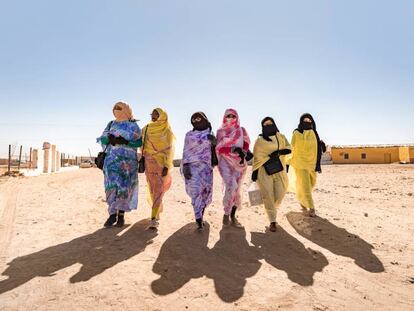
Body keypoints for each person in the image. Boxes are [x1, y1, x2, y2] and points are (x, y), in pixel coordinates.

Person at [97, 102, 142, 227]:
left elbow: (138, 142)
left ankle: (121, 216)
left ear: (126, 110)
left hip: (128, 164)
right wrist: (110, 139)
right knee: (110, 187)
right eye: (114, 108)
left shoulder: (133, 126)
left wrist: (126, 142)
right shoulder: (111, 124)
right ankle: (112, 215)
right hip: (111, 161)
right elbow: (103, 138)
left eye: (119, 108)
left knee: (124, 188)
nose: (116, 110)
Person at [251, 117, 291, 232]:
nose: (268, 126)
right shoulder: (260, 141)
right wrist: (254, 172)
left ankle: (271, 208)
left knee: (280, 193)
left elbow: (289, 149)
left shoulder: (281, 137)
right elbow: (257, 158)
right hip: (264, 171)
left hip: (279, 169)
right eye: (265, 124)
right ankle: (272, 221)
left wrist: (278, 153)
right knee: (268, 195)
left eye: (270, 124)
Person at [181, 112, 218, 229]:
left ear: (205, 120)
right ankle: (198, 217)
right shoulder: (189, 135)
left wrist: (214, 143)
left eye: (199, 119)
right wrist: (185, 165)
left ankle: (201, 212)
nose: (197, 121)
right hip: (192, 168)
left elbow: (215, 149)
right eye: (194, 119)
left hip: (206, 169)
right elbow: (185, 151)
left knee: (205, 192)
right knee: (195, 192)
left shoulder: (210, 133)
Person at [216, 108, 251, 227]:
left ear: (237, 117)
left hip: (239, 163)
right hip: (225, 161)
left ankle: (233, 216)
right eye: (228, 116)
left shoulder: (241, 130)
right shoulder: (220, 131)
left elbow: (246, 142)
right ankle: (226, 213)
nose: (231, 118)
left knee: (237, 191)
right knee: (231, 186)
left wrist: (244, 151)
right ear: (224, 117)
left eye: (233, 116)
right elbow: (219, 148)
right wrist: (231, 149)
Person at [141, 108, 175, 229]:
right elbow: (141, 144)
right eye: (152, 114)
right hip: (148, 165)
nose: (153, 116)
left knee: (159, 190)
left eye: (157, 114)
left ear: (162, 116)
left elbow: (169, 150)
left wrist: (166, 165)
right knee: (151, 189)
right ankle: (156, 210)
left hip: (161, 166)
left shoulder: (167, 131)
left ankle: (154, 218)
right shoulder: (146, 129)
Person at [289, 113, 325, 217]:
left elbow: (317, 147)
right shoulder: (296, 133)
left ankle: (302, 200)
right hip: (300, 164)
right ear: (301, 121)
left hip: (312, 164)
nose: (308, 123)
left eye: (309, 121)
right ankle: (311, 208)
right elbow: (292, 147)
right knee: (305, 186)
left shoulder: (314, 133)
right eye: (305, 121)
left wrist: (320, 144)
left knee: (311, 184)